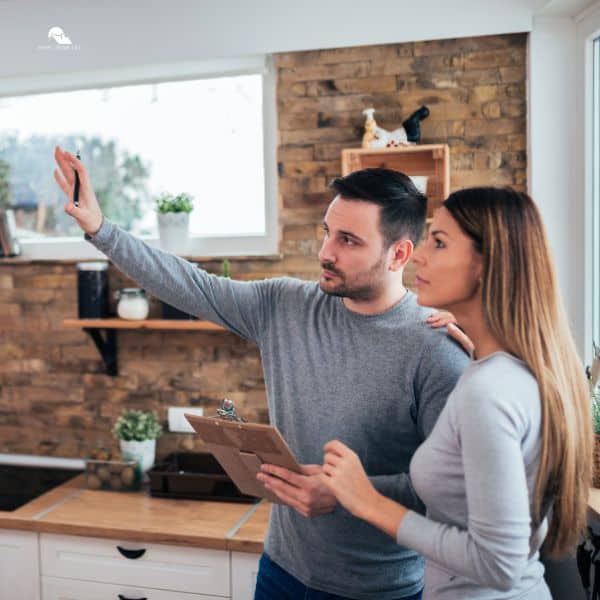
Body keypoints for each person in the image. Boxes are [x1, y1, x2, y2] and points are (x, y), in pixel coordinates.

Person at [53, 146, 469, 600]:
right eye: (327, 233)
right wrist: (100, 228)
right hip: (281, 573)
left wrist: (349, 492)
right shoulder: (284, 305)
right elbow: (191, 285)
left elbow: (453, 489)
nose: (325, 252)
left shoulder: (436, 349)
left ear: (399, 254)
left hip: (378, 591)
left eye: (348, 241)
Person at [320, 187, 593, 599]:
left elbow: (498, 564)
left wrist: (367, 501)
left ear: (487, 265)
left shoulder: (489, 392)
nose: (419, 255)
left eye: (440, 242)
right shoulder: (510, 371)